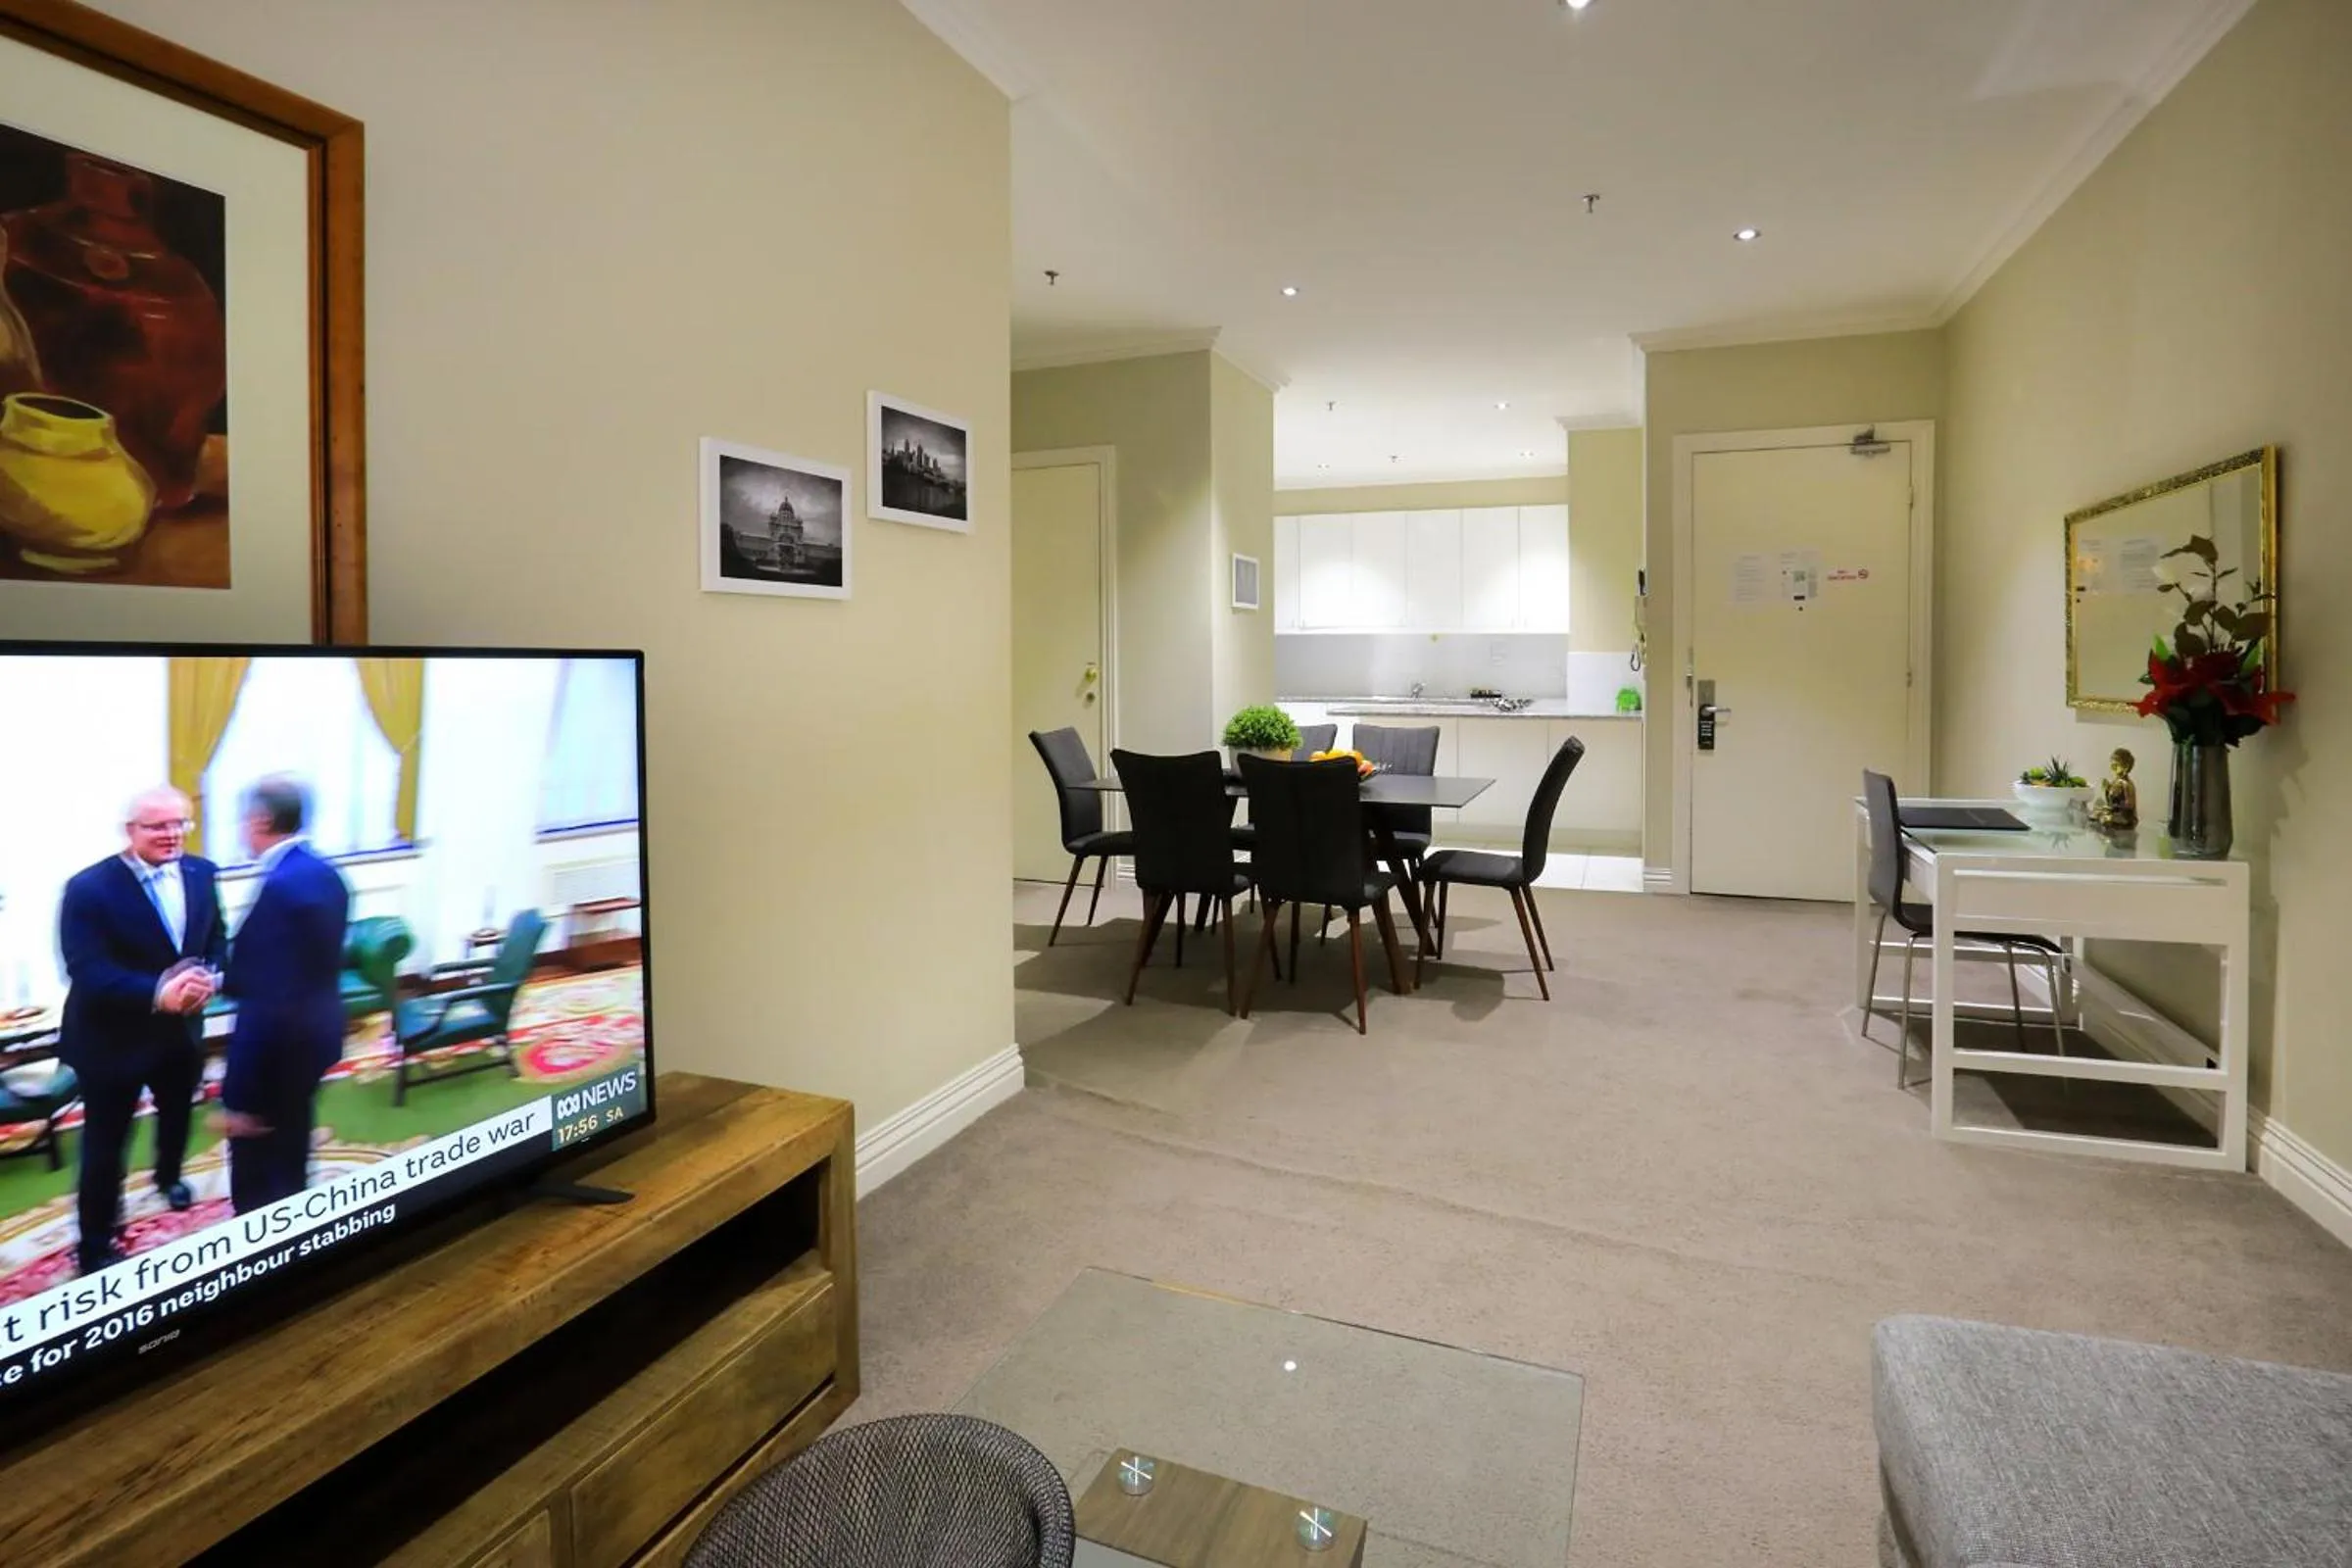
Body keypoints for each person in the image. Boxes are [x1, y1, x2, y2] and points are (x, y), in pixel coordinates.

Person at [57, 787, 227, 1274]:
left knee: (177, 1114)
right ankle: (95, 1243)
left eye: (180, 823)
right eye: (158, 826)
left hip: (180, 1034)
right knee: (105, 1145)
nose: (172, 834)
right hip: (111, 1040)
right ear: (130, 830)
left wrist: (210, 977)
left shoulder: (202, 872)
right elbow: (87, 969)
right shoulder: (88, 888)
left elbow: (217, 938)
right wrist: (158, 992)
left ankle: (168, 1177)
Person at [220, 775, 351, 1213]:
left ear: (261, 820)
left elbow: (267, 998)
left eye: (243, 820)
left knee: (258, 1172)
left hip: (275, 1052)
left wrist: (239, 1094)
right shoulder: (326, 874)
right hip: (316, 1037)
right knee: (294, 1142)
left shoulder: (280, 887)